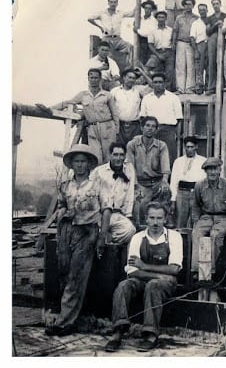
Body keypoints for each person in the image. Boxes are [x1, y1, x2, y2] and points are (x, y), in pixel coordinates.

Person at [104, 202, 183, 352]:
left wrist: (145, 266)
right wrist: (159, 275)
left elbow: (174, 269)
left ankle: (150, 335)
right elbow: (132, 271)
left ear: (165, 219)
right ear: (146, 219)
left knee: (153, 285)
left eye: (159, 218)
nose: (155, 222)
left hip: (165, 284)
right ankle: (117, 332)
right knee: (123, 286)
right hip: (152, 279)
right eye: (152, 218)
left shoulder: (174, 237)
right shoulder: (137, 238)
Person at [45, 144, 100, 336]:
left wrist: (101, 236)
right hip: (66, 230)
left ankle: (65, 322)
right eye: (76, 161)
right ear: (72, 164)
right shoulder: (65, 185)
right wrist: (63, 213)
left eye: (83, 161)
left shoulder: (97, 184)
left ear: (89, 164)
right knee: (64, 272)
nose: (80, 165)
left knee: (76, 276)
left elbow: (106, 209)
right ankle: (66, 315)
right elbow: (60, 205)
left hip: (86, 232)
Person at [46, 69, 118, 164]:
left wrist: (116, 130)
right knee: (96, 157)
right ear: (88, 78)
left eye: (96, 78)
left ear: (100, 79)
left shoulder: (107, 95)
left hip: (107, 127)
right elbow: (68, 102)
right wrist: (49, 109)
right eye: (91, 77)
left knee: (109, 156)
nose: (94, 80)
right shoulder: (83, 95)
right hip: (92, 129)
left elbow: (115, 114)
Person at [191, 157, 226, 281]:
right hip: (206, 217)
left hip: (224, 217)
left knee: (215, 235)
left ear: (220, 170)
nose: (212, 172)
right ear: (205, 171)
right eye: (209, 170)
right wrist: (196, 222)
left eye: (215, 169)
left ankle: (212, 272)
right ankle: (197, 271)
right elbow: (196, 206)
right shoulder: (199, 185)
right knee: (196, 233)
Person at [91, 142, 137, 257]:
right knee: (91, 233)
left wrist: (128, 215)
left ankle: (109, 239)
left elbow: (130, 194)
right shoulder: (99, 171)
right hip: (99, 214)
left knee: (130, 230)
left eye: (121, 155)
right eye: (115, 154)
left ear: (125, 156)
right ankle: (103, 239)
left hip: (117, 214)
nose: (118, 158)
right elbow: (91, 192)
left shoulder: (129, 171)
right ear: (110, 155)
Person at [126, 116, 172, 228]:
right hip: (141, 183)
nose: (150, 128)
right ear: (142, 127)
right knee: (140, 204)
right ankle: (140, 228)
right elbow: (130, 168)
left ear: (156, 130)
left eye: (153, 126)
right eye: (147, 125)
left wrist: (165, 181)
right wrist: (135, 185)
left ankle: (166, 223)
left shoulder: (161, 145)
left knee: (166, 193)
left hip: (156, 182)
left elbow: (165, 167)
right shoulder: (132, 145)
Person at [139, 72, 183, 165]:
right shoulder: (147, 98)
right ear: (152, 84)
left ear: (165, 83)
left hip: (168, 131)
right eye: (155, 82)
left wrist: (169, 130)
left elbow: (179, 118)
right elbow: (143, 117)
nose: (158, 85)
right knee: (151, 157)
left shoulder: (173, 98)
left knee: (169, 157)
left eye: (160, 82)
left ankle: (168, 178)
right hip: (151, 131)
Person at [87, 0, 134, 71]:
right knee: (108, 56)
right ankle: (109, 71)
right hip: (107, 38)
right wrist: (100, 27)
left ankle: (128, 67)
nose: (113, 4)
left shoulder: (120, 13)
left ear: (117, 3)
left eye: (115, 2)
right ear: (108, 3)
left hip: (117, 39)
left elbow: (133, 13)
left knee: (130, 47)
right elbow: (90, 18)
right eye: (111, 2)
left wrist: (139, 1)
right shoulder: (102, 13)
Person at [169, 136, 206, 228]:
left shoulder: (203, 161)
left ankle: (193, 242)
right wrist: (173, 200)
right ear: (184, 147)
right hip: (182, 194)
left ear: (196, 147)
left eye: (192, 147)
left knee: (196, 222)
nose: (189, 149)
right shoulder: (178, 161)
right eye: (187, 147)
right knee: (180, 223)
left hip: (196, 194)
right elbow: (173, 182)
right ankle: (179, 241)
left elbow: (205, 181)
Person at [110, 67, 151, 145]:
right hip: (119, 125)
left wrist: (142, 73)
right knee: (120, 148)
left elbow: (152, 86)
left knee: (134, 148)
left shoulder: (139, 90)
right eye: (129, 77)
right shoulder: (114, 91)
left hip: (135, 126)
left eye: (134, 78)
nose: (131, 80)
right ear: (124, 77)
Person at [172, 0, 198, 95]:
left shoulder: (196, 18)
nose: (188, 6)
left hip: (191, 43)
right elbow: (175, 31)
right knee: (180, 65)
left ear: (193, 6)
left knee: (191, 65)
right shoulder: (179, 17)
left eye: (190, 4)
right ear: (183, 6)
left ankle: (189, 88)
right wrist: (174, 43)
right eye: (186, 4)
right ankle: (180, 88)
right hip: (180, 42)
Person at [145, 10, 176, 92]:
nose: (161, 19)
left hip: (169, 52)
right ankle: (154, 89)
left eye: (163, 17)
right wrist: (158, 55)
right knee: (149, 68)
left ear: (165, 18)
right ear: (156, 19)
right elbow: (150, 45)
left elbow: (173, 42)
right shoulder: (152, 31)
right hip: (157, 52)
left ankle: (167, 91)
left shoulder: (170, 30)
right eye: (159, 17)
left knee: (169, 73)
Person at [205, 0, 226, 94]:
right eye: (214, 4)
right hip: (213, 39)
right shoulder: (209, 18)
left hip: (223, 38)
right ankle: (211, 86)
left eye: (217, 3)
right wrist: (215, 24)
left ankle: (223, 85)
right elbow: (208, 31)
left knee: (223, 62)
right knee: (212, 62)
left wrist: (222, 25)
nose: (215, 5)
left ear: (220, 4)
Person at [190, 3, 209, 94]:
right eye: (200, 10)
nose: (202, 11)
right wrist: (196, 51)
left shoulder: (210, 20)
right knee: (199, 68)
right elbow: (192, 38)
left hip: (209, 45)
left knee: (209, 67)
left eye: (204, 9)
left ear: (207, 10)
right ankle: (199, 87)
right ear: (198, 11)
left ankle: (208, 87)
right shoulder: (195, 23)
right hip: (200, 45)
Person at [133, 0, 158, 65]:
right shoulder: (140, 19)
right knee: (136, 57)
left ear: (152, 10)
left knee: (144, 59)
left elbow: (148, 34)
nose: (147, 10)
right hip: (139, 40)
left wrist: (137, 30)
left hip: (147, 42)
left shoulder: (154, 21)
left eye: (149, 8)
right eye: (146, 8)